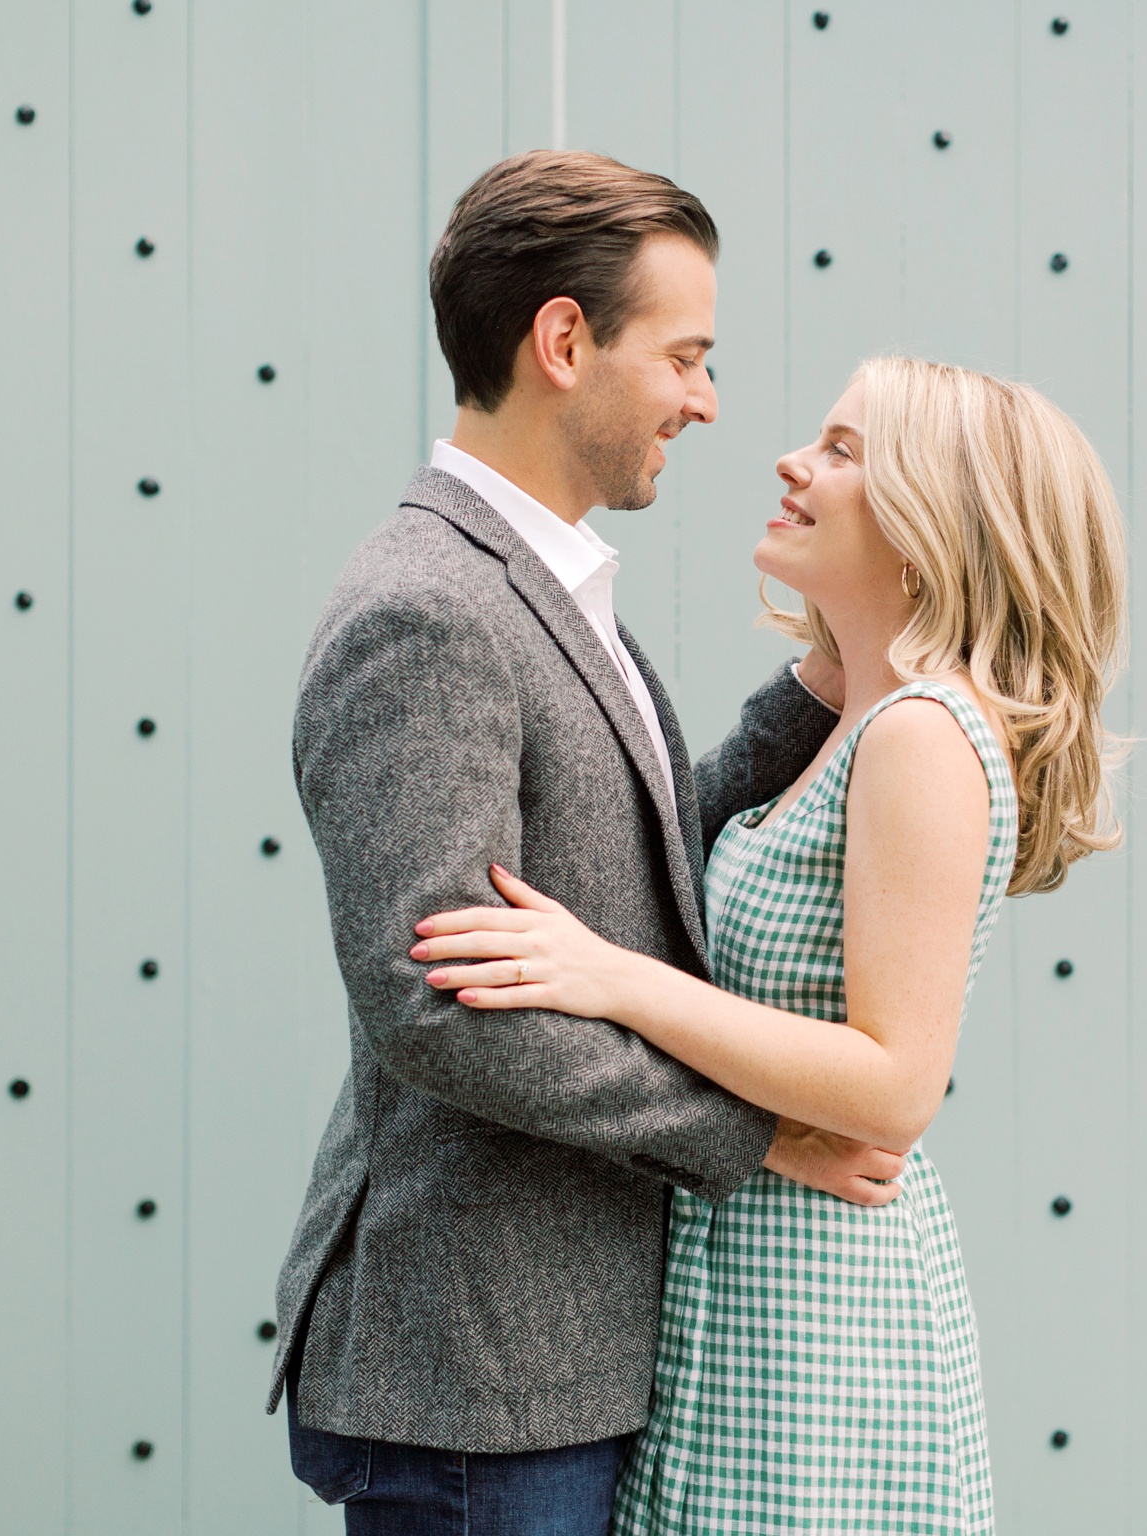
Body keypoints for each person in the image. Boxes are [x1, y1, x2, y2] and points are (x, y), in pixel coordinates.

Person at [266, 150, 905, 1534]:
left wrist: (828, 683)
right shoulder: (428, 610)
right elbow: (441, 1007)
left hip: (542, 1371)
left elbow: (635, 861)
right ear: (563, 342)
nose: (706, 400)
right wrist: (759, 1134)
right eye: (684, 356)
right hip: (477, 1385)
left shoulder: (535, 582)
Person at [413, 354, 1130, 1533]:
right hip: (743, 1284)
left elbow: (894, 1086)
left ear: (930, 524)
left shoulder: (918, 736)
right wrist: (836, 653)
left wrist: (611, 980)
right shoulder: (858, 719)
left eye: (843, 450)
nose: (792, 462)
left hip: (814, 1320)